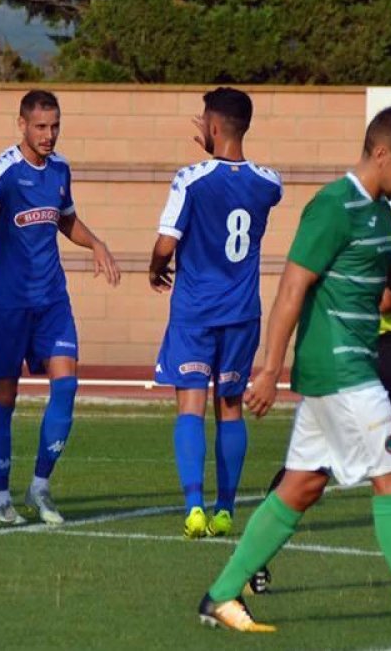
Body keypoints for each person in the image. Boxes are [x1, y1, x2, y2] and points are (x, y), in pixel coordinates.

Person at [197, 107, 391, 640]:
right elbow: (291, 289)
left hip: (349, 370)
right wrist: (270, 367)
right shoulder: (332, 207)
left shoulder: (381, 214)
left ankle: (221, 596)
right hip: (341, 371)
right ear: (381, 153)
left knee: (301, 486)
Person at [246, 209, 391, 599]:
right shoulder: (340, 214)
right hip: (361, 354)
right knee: (313, 471)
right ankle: (248, 566)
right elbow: (381, 299)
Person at [0, 89, 121, 526]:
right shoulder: (5, 170)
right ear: (22, 124)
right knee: (4, 396)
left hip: (51, 299)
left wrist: (96, 243)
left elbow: (65, 219)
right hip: (5, 303)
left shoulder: (60, 170)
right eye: (40, 126)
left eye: (55, 126)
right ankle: (1, 497)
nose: (49, 134)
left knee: (67, 385)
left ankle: (40, 485)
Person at [148, 87, 282, 540]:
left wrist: (154, 269)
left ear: (215, 126)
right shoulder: (269, 183)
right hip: (242, 312)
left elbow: (166, 244)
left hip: (195, 310)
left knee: (190, 404)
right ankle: (226, 509)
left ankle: (194, 508)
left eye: (204, 120)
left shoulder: (191, 179)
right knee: (230, 409)